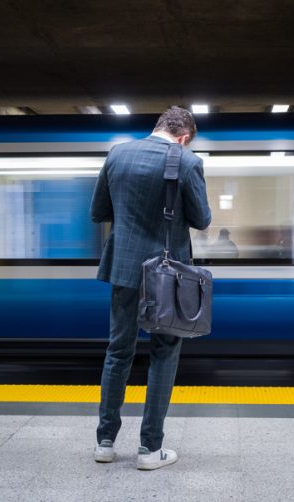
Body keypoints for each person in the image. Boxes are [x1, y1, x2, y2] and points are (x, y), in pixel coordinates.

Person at [89, 106, 211, 470]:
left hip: (124, 268)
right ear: (184, 136)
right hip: (167, 276)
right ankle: (149, 449)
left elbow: (99, 212)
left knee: (118, 352)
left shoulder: (118, 154)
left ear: (157, 127)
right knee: (164, 354)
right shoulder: (187, 162)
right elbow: (203, 219)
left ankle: (105, 443)